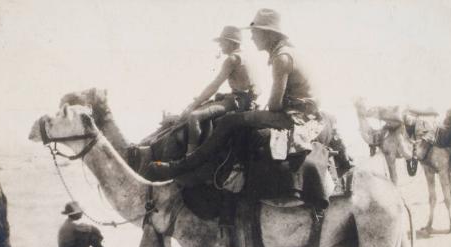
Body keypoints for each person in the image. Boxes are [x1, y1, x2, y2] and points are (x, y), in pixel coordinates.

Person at [147, 9, 352, 208]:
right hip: (303, 113)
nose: (252, 37)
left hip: (294, 117)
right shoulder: (287, 53)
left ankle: (184, 167)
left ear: (268, 34)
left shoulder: (281, 58)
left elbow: (274, 105)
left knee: (229, 121)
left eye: (256, 32)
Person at [180, 25, 260, 154]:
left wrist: (194, 104)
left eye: (222, 42)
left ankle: (190, 158)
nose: (220, 46)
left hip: (237, 102)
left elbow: (214, 85)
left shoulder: (232, 59)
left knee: (194, 116)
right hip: (247, 101)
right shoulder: (247, 57)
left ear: (230, 42)